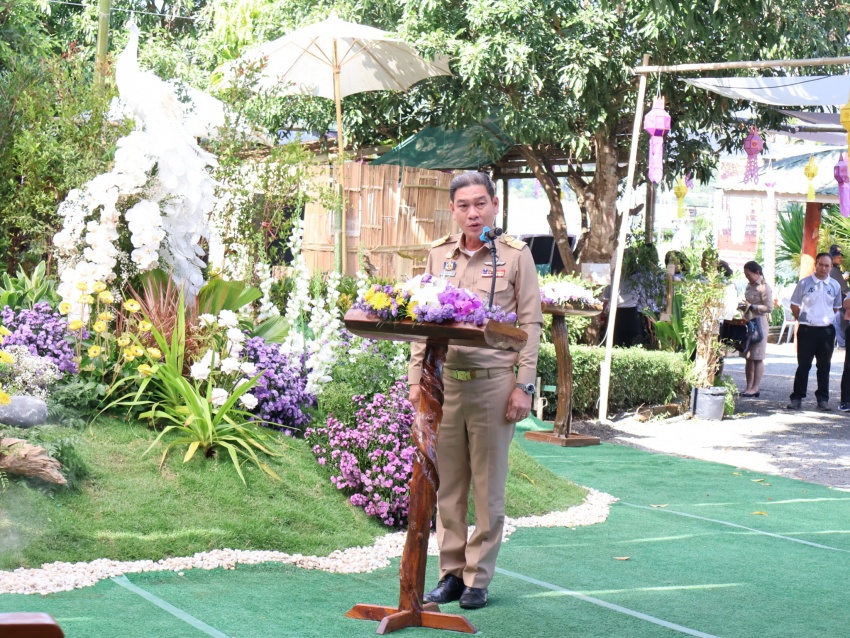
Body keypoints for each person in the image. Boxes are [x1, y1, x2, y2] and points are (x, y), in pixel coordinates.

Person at [408, 171, 543, 610]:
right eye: (464, 205)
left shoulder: (515, 256)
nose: (473, 213)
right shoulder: (438, 254)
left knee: (487, 491)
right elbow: (421, 319)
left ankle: (477, 579)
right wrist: (415, 380)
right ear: (452, 209)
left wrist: (523, 386)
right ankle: (450, 574)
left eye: (480, 203)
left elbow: (530, 323)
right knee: (448, 488)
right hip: (446, 386)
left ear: (494, 205)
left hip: (493, 386)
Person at [787, 253, 842, 410]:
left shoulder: (835, 285)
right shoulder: (804, 283)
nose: (823, 268)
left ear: (831, 267)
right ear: (816, 265)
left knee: (824, 366)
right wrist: (803, 319)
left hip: (826, 331)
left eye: (827, 266)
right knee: (803, 365)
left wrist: (824, 318)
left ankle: (823, 399)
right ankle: (797, 397)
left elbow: (836, 307)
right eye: (821, 265)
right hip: (807, 330)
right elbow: (794, 305)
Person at [738, 261, 773, 397]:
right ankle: (748, 386)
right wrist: (743, 306)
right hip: (748, 322)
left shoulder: (765, 287)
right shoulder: (749, 286)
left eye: (749, 274)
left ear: (757, 272)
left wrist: (752, 306)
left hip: (759, 323)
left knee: (757, 357)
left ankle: (755, 387)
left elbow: (769, 308)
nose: (747, 277)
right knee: (748, 357)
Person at [829, 245, 850, 347]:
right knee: (841, 322)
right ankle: (842, 344)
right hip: (838, 303)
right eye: (838, 256)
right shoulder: (834, 270)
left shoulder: (833, 270)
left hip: (834, 302)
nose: (840, 258)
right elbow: (845, 290)